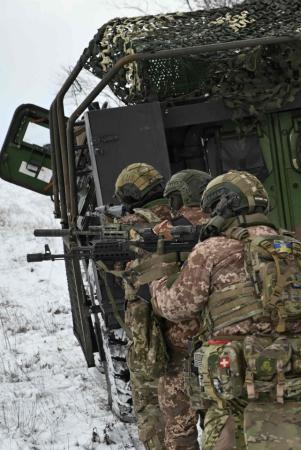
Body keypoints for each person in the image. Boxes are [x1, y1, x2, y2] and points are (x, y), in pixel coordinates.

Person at [149, 170, 301, 450]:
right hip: (285, 375)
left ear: (223, 205)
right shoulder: (290, 247)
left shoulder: (212, 250)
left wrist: (160, 273)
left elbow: (175, 306)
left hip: (234, 384)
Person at [152, 169, 212, 450]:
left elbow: (171, 303)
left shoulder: (173, 229)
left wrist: (153, 280)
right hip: (219, 351)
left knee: (180, 433)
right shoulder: (226, 228)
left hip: (180, 354)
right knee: (222, 425)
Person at [113, 162, 172, 450]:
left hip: (149, 336)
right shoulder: (184, 215)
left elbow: (112, 266)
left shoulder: (128, 227)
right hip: (190, 329)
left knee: (151, 408)